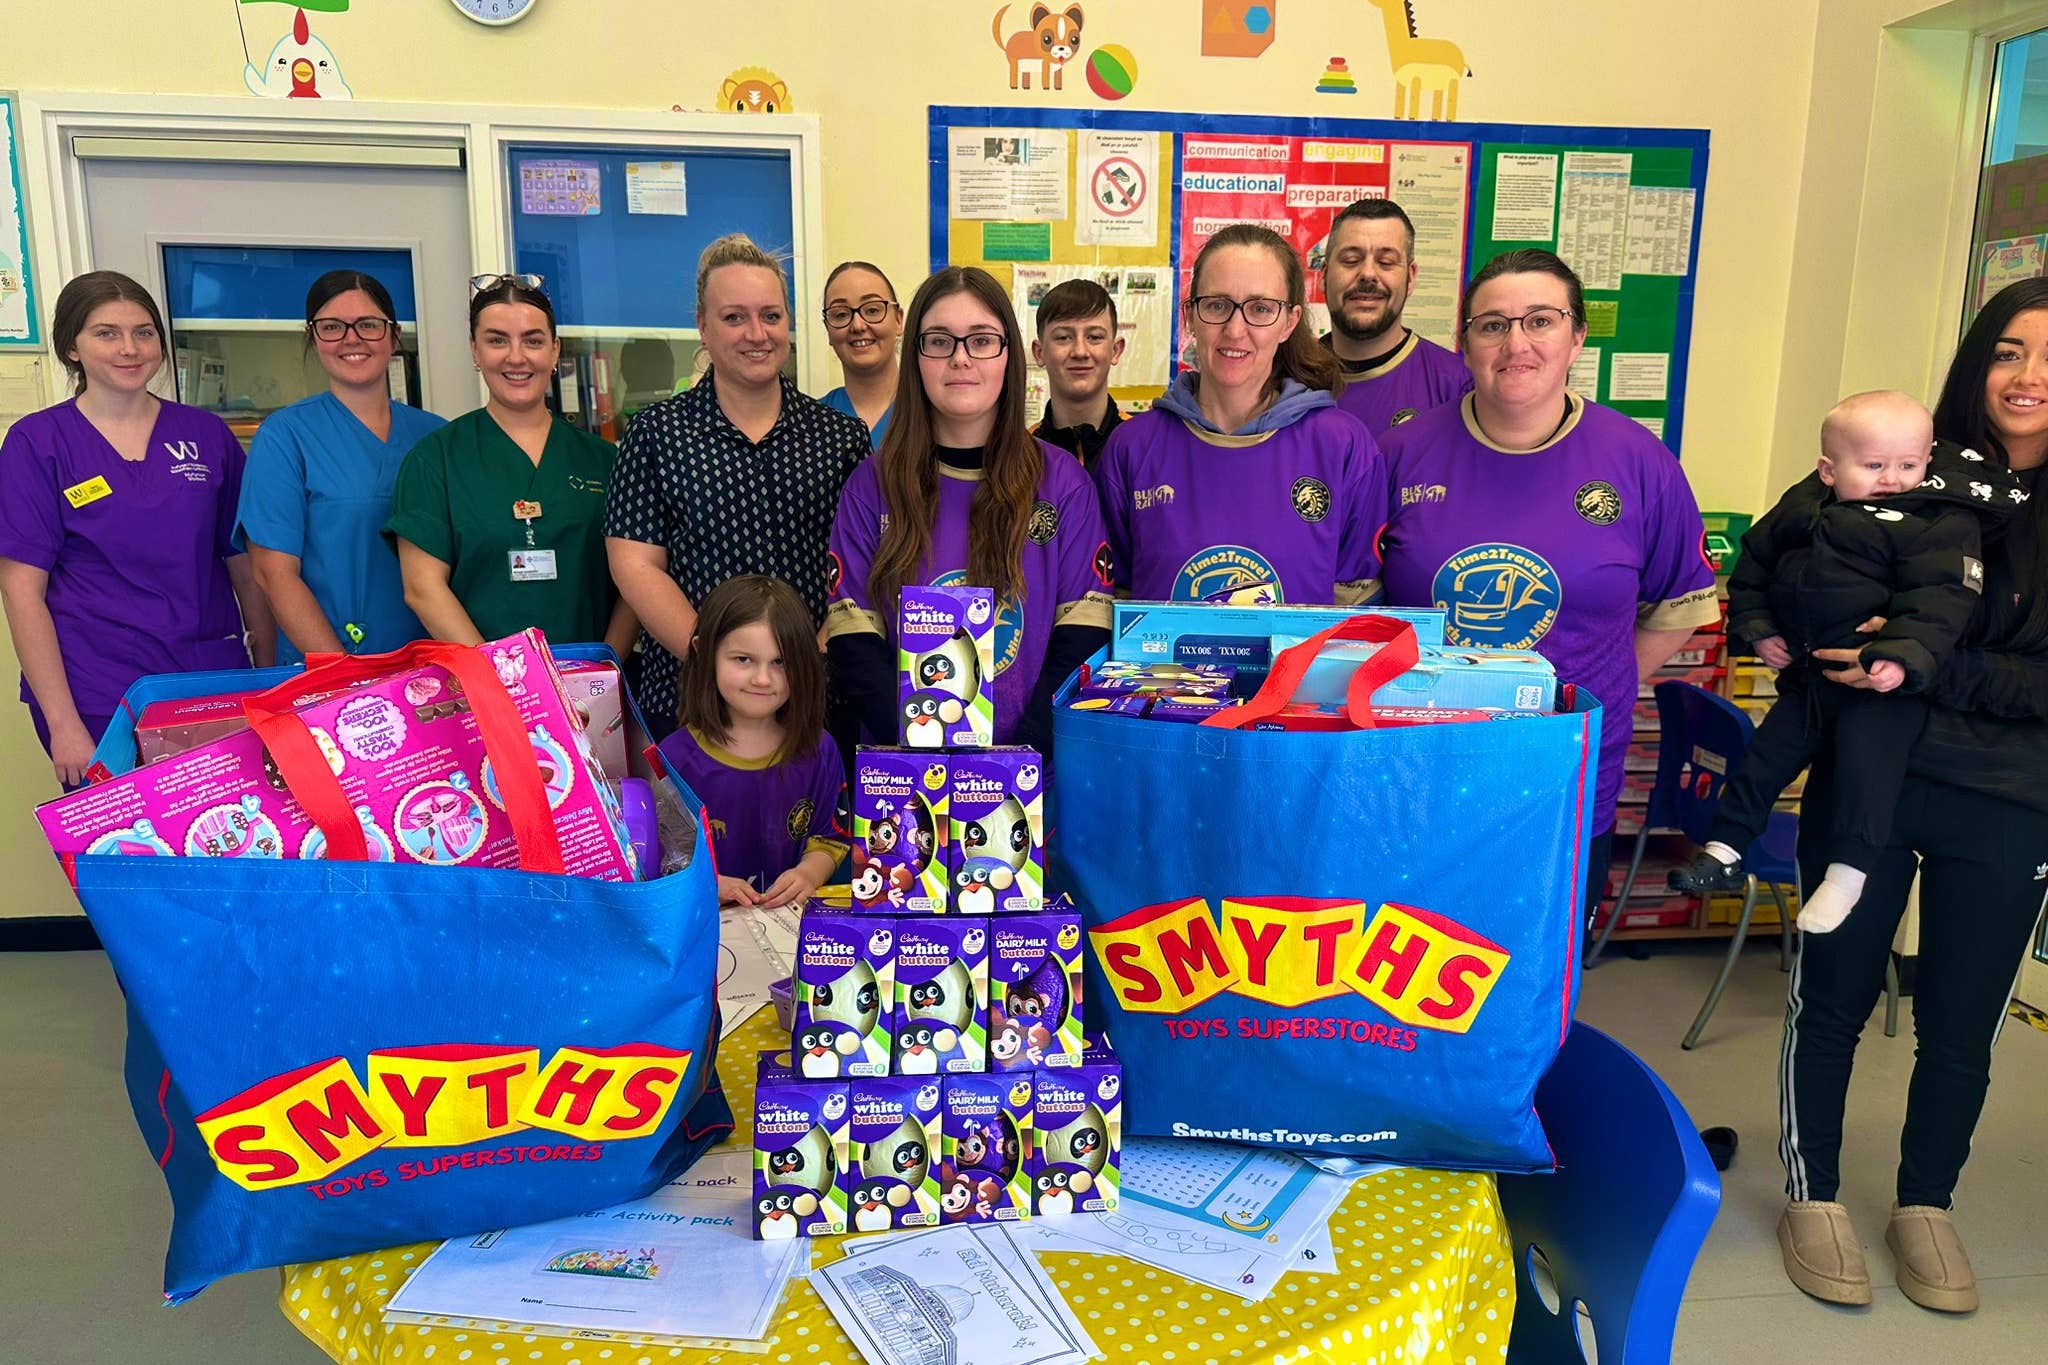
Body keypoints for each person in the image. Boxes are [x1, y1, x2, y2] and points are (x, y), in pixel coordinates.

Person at [1773, 277, 2048, 1315]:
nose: (2026, 379)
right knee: (1831, 995)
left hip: (2010, 798)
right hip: (1869, 782)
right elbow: (1792, 579)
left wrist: (1931, 665)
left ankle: (1924, 1202)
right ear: (1974, 362)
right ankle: (1814, 1193)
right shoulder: (1890, 465)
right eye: (2007, 351)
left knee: (1961, 1020)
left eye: (2047, 360)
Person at [1377, 248, 1718, 910]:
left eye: (1540, 320)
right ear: (1465, 342)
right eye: (1492, 324)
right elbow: (1356, 606)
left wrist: (1595, 681)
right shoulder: (1401, 451)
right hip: (1421, 767)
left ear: (1577, 335)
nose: (1516, 344)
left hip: (1564, 772)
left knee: (1541, 980)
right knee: (1408, 971)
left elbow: (1680, 608)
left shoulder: (1639, 460)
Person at [1670, 392, 2023, 932]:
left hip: (1880, 687)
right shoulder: (1803, 505)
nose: (1893, 479)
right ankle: (1723, 849)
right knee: (1762, 759)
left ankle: (1848, 876)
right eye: (1875, 465)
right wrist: (1758, 630)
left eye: (1910, 465)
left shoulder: (1934, 521)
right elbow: (1754, 568)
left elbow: (1942, 600)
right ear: (1828, 470)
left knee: (1865, 775)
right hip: (1810, 678)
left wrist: (1900, 656)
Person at [0, 271, 275, 787]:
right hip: (99, 692)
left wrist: (263, 677)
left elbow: (243, 565)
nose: (129, 348)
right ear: (72, 348)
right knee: (127, 853)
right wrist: (63, 723)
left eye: (144, 332)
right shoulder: (38, 443)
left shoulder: (204, 435)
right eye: (107, 333)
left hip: (208, 680)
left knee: (228, 836)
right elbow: (21, 592)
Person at [825, 265, 1113, 755]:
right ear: (915, 355)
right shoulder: (871, 486)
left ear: (1010, 356)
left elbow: (1080, 643)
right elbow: (855, 645)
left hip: (1029, 776)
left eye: (981, 340)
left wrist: (1017, 761)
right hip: (905, 779)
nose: (960, 359)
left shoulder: (1064, 485)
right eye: (939, 341)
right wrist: (922, 746)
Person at [607, 236, 871, 735]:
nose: (757, 333)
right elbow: (635, 565)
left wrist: (801, 664)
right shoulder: (656, 433)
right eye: (734, 318)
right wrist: (719, 664)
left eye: (771, 316)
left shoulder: (841, 436)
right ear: (702, 327)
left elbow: (864, 567)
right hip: (690, 700)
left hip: (814, 701)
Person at [1094, 224, 1387, 605]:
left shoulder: (1343, 446)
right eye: (1217, 305)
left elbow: (1357, 607)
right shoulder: (1133, 448)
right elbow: (1116, 600)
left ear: (1289, 322)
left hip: (1298, 668)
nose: (1235, 330)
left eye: (1260, 309)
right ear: (1190, 317)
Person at [386, 274, 635, 655]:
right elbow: (423, 589)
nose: (516, 357)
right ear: (474, 350)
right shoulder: (434, 459)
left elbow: (637, 580)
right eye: (497, 340)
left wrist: (604, 670)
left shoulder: (606, 461)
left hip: (590, 690)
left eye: (532, 341)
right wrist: (502, 681)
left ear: (555, 351)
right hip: (484, 689)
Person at [236, 269, 445, 664]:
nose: (352, 339)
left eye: (368, 325)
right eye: (332, 326)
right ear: (313, 339)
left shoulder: (436, 437)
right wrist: (344, 680)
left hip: (431, 661)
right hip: (328, 671)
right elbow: (273, 574)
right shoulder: (285, 437)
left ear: (394, 335)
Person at [658, 574, 848, 908]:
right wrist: (707, 883)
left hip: (794, 934)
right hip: (711, 937)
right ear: (704, 651)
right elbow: (663, 860)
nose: (762, 678)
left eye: (780, 662)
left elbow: (829, 837)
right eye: (743, 659)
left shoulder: (820, 750)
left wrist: (808, 873)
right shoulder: (673, 758)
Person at [1320, 197, 1471, 434]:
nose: (1368, 273)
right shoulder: (1286, 379)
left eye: (1386, 262)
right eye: (1351, 260)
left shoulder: (1458, 386)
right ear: (1324, 275)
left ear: (1411, 277)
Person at [1031, 278, 1125, 470]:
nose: (1080, 352)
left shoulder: (1147, 445)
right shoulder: (1022, 453)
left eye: (1095, 337)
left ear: (1115, 351)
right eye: (1064, 337)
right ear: (1039, 353)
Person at [818, 260, 901, 446]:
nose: (857, 325)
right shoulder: (810, 424)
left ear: (898, 320)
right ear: (828, 330)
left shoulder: (933, 412)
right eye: (841, 314)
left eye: (872, 310)